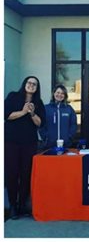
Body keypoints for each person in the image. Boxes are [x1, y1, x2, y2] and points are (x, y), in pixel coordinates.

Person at [4, 76, 45, 219]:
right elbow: (6, 115)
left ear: (37, 88)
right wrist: (23, 111)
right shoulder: (13, 96)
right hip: (11, 142)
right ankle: (13, 206)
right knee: (12, 173)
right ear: (24, 84)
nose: (31, 85)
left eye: (34, 84)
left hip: (29, 143)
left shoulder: (38, 102)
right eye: (29, 82)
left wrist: (32, 113)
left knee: (26, 173)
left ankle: (22, 205)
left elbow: (40, 123)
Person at [40, 85, 78, 150]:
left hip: (66, 145)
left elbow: (73, 125)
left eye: (62, 93)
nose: (60, 95)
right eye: (58, 92)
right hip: (49, 145)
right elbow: (41, 124)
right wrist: (45, 137)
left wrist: (69, 138)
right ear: (54, 93)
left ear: (65, 96)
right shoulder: (46, 108)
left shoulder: (69, 109)